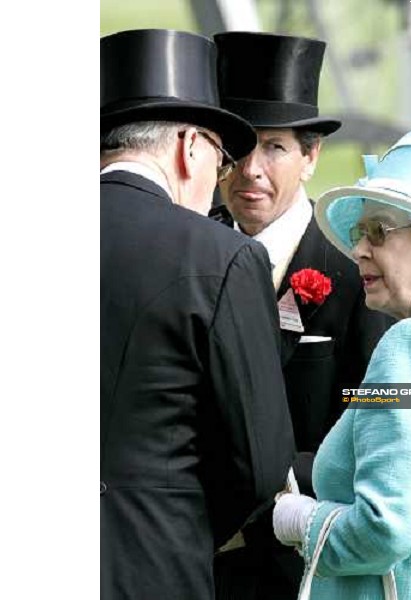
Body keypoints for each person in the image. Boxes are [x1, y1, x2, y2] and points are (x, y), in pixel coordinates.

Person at [100, 29, 295, 600]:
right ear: (191, 147)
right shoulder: (218, 254)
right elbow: (259, 465)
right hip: (154, 561)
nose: (228, 174)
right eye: (223, 156)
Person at [273, 128, 411, 599]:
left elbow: (386, 530)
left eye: (378, 231)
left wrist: (298, 520)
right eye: (359, 233)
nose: (358, 249)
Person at [211, 31, 395, 600]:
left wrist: (277, 489)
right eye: (238, 148)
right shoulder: (193, 251)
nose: (251, 171)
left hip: (305, 561)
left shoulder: (352, 273)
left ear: (311, 156)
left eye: (274, 148)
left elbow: (374, 413)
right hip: (197, 561)